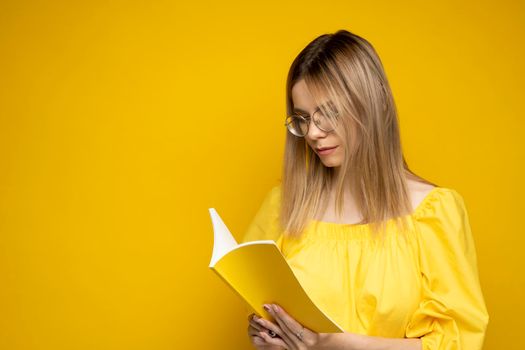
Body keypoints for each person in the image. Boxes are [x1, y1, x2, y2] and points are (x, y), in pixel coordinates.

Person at [242, 29, 489, 350]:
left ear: (373, 104)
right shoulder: (285, 205)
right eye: (302, 118)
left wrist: (341, 345)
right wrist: (266, 337)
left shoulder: (433, 212)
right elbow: (260, 306)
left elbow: (458, 342)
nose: (313, 133)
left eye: (328, 113)